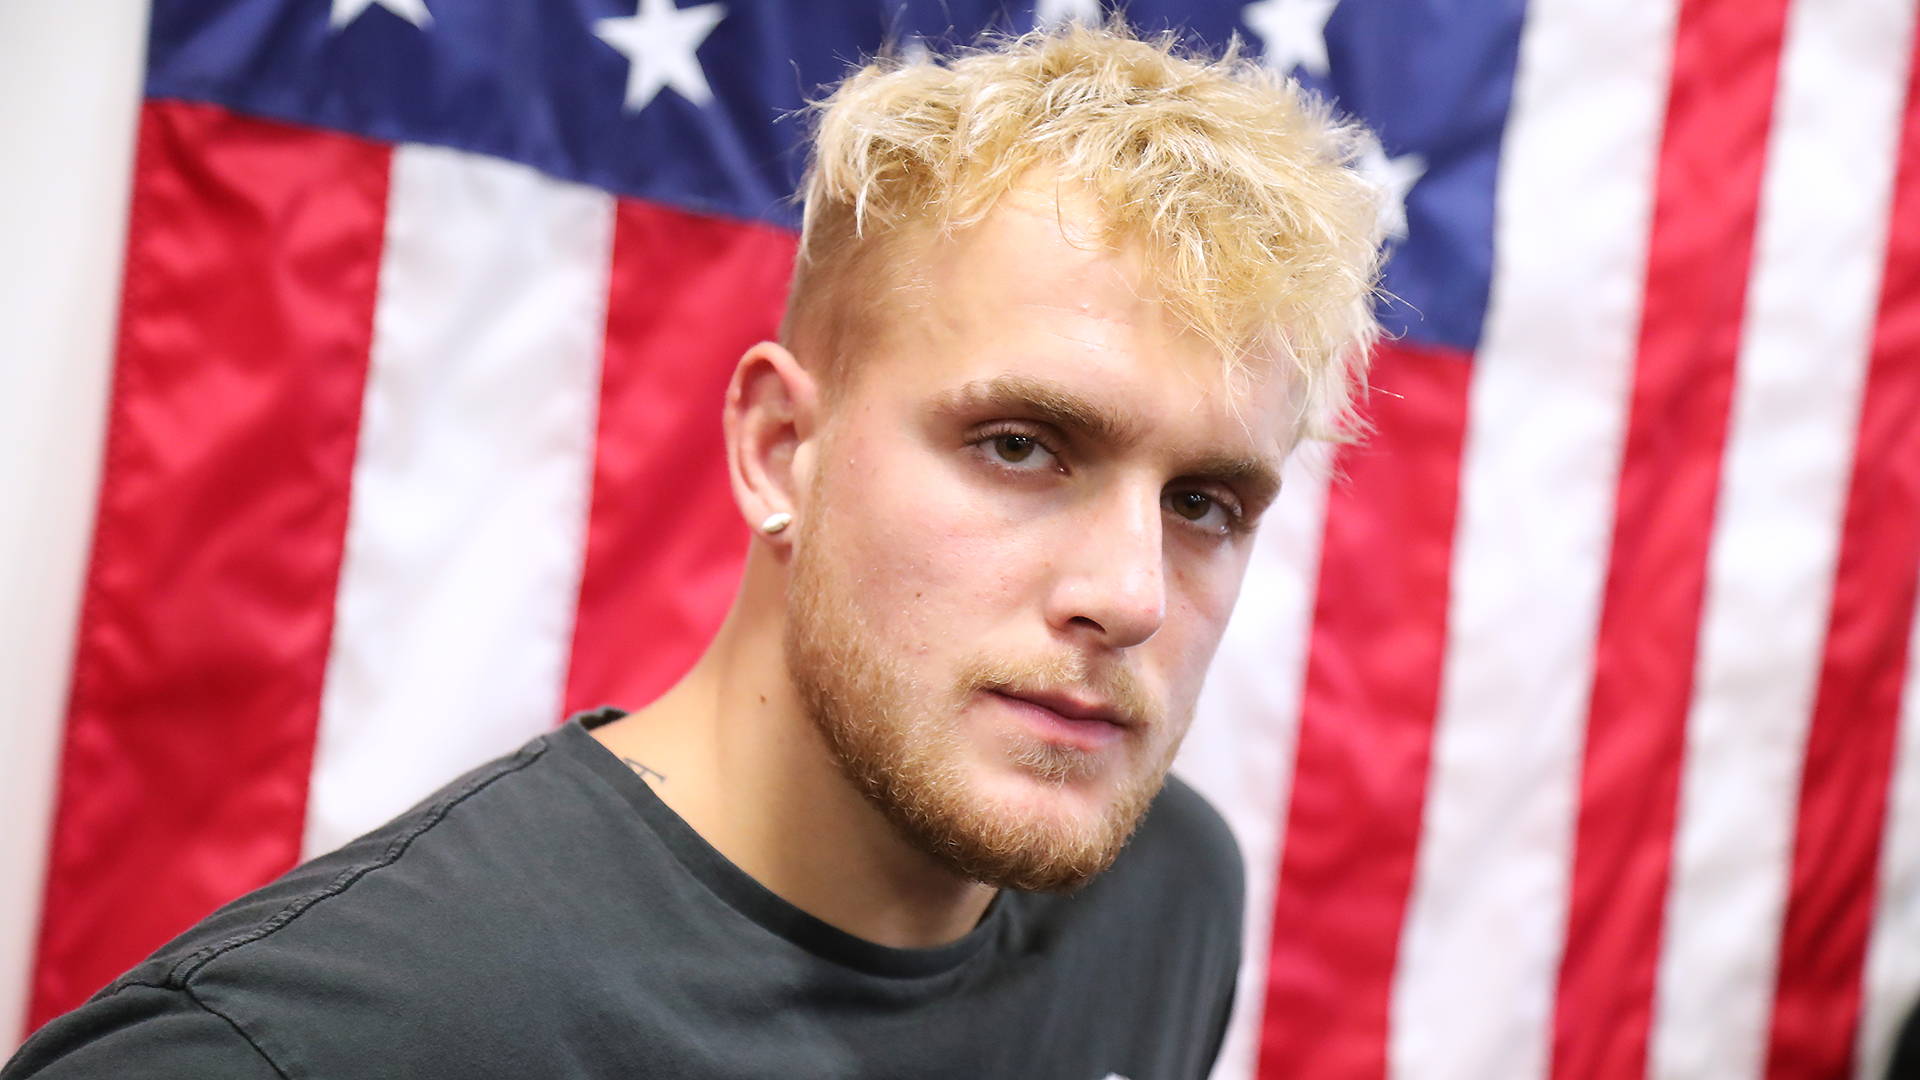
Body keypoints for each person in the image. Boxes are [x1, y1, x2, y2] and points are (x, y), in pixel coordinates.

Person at [4, 22, 1382, 1080]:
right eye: (1020, 445)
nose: (1130, 596)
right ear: (781, 447)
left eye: (1206, 502)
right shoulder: (306, 1045)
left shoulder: (1162, 895)